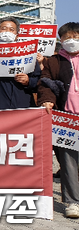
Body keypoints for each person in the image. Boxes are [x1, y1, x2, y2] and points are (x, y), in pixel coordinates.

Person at [37, 22, 79, 219]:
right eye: (67, 38)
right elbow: (45, 83)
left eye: (76, 37)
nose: (72, 41)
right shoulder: (53, 61)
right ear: (60, 40)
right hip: (67, 118)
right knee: (68, 162)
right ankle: (72, 202)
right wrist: (47, 100)